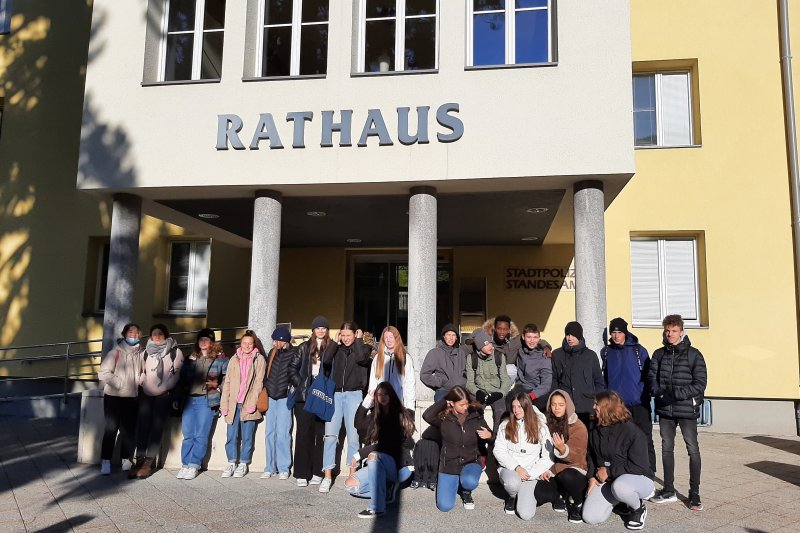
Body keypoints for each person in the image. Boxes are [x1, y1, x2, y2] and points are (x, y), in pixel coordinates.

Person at [647, 314, 707, 511]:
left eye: (674, 331)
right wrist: (659, 394)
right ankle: (669, 489)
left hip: (686, 410)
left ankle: (694, 493)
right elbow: (651, 379)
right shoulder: (658, 354)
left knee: (692, 449)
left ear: (681, 332)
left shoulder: (694, 355)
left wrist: (676, 395)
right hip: (665, 410)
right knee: (666, 448)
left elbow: (699, 383)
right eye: (667, 330)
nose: (670, 334)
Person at [583, 391, 655, 531]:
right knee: (590, 517)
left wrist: (609, 472)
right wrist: (591, 476)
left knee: (620, 487)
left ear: (607, 408)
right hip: (610, 480)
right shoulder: (594, 427)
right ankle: (622, 502)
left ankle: (637, 508)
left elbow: (640, 467)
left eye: (597, 404)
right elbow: (591, 454)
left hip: (639, 479)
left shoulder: (633, 432)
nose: (593, 406)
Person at [345, 382, 416, 518]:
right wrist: (367, 400)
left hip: (400, 467)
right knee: (350, 486)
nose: (382, 397)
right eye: (379, 395)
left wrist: (358, 454)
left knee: (373, 455)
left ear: (391, 396)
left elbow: (386, 444)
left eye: (385, 394)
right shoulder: (375, 416)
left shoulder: (399, 415)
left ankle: (377, 507)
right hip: (378, 465)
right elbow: (358, 423)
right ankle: (386, 492)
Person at [319, 321, 371, 493]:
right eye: (343, 335)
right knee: (330, 435)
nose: (346, 338)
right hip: (335, 395)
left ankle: (352, 474)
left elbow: (362, 359)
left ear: (355, 334)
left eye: (349, 335)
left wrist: (358, 341)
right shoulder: (336, 349)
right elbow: (325, 361)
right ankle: (327, 476)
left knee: (353, 437)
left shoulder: (362, 348)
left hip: (354, 395)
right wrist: (334, 342)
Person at [423, 385, 493, 512]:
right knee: (444, 506)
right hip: (449, 465)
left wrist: (490, 436)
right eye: (461, 404)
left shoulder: (475, 415)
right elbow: (427, 415)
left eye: (467, 403)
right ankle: (454, 483)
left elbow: (493, 436)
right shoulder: (443, 418)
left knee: (470, 481)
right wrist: (445, 399)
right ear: (452, 403)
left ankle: (466, 491)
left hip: (471, 461)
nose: (465, 407)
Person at [602, 317, 656, 473]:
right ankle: (624, 471)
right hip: (618, 406)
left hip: (639, 404)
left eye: (619, 332)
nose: (616, 335)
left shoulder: (639, 350)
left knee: (645, 439)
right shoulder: (607, 352)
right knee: (620, 441)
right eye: (613, 332)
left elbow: (649, 376)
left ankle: (649, 472)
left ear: (625, 332)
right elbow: (605, 379)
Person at [131, 323, 184, 479]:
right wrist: (142, 381)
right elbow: (140, 371)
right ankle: (139, 460)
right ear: (150, 336)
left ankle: (149, 463)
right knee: (143, 426)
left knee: (156, 428)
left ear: (166, 335)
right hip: (146, 394)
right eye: (154, 334)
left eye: (160, 334)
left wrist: (167, 386)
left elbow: (177, 374)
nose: (157, 337)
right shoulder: (145, 352)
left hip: (164, 395)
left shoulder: (175, 352)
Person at [176, 328, 229, 480]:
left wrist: (219, 388)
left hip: (207, 400)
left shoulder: (220, 359)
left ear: (212, 342)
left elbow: (226, 377)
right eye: (201, 340)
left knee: (200, 435)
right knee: (188, 435)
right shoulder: (191, 359)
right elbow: (182, 379)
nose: (203, 342)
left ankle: (194, 464)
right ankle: (185, 464)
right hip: (189, 399)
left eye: (207, 340)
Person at [493, 392, 554, 520]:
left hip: (530, 473)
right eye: (514, 407)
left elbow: (548, 456)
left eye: (520, 406)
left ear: (527, 406)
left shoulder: (540, 426)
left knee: (526, 515)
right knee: (512, 483)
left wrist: (531, 473)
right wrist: (516, 467)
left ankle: (522, 496)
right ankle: (512, 496)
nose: (516, 410)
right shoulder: (505, 425)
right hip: (510, 469)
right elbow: (498, 450)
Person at [535, 389, 589, 523]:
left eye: (561, 405)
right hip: (555, 468)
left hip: (575, 469)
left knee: (567, 476)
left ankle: (578, 502)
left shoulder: (578, 426)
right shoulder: (548, 423)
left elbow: (577, 458)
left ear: (567, 406)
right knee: (539, 494)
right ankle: (561, 494)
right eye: (553, 404)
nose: (557, 408)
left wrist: (563, 449)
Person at [288, 315, 330, 487]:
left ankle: (317, 471)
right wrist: (302, 385)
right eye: (318, 327)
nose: (321, 330)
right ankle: (301, 472)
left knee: (320, 435)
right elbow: (292, 368)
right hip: (304, 397)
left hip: (322, 397)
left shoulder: (331, 348)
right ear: (313, 330)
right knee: (304, 434)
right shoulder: (304, 347)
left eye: (324, 328)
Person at [220, 330, 267, 479]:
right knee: (231, 436)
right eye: (244, 343)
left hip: (248, 404)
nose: (247, 346)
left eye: (250, 343)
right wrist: (225, 404)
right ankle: (232, 462)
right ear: (240, 344)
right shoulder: (234, 359)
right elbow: (227, 382)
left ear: (254, 345)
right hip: (234, 404)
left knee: (247, 437)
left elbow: (259, 383)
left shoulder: (259, 360)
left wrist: (252, 402)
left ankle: (243, 463)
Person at [97, 322, 142, 475]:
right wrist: (119, 384)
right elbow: (103, 373)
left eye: (136, 333)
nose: (133, 335)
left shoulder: (140, 353)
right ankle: (105, 461)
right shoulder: (115, 352)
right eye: (130, 333)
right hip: (114, 397)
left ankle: (126, 459)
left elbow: (143, 372)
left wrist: (140, 380)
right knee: (111, 429)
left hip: (132, 397)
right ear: (124, 335)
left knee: (128, 430)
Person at [551, 321, 604, 427]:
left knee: (588, 439)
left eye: (573, 335)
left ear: (579, 336)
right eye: (567, 335)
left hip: (587, 407)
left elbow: (599, 381)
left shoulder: (590, 356)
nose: (569, 338)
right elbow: (554, 379)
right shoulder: (557, 355)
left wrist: (597, 402)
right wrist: (557, 400)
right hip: (565, 407)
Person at [261, 326, 298, 480]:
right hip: (271, 396)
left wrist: (291, 388)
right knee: (270, 433)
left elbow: (297, 373)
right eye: (274, 340)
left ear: (284, 341)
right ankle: (270, 467)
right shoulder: (272, 353)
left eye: (277, 340)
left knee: (283, 433)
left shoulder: (295, 353)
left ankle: (284, 467)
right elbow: (266, 374)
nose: (274, 343)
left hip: (284, 398)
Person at [465, 328, 510, 433]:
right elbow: (469, 383)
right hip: (479, 392)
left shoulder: (499, 356)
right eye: (486, 344)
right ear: (480, 347)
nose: (490, 346)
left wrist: (500, 393)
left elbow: (505, 379)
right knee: (474, 412)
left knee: (500, 412)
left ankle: (495, 440)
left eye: (490, 343)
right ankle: (479, 440)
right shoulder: (471, 358)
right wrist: (477, 392)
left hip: (496, 392)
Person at [363, 326, 415, 410]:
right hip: (380, 404)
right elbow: (373, 383)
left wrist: (410, 408)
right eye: (386, 337)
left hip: (397, 404)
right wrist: (370, 403)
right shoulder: (377, 358)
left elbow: (409, 384)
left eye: (391, 337)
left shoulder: (405, 358)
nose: (388, 340)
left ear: (396, 338)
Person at [511, 323, 553, 413]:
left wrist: (532, 395)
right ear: (523, 337)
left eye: (535, 337)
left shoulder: (544, 357)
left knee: (531, 406)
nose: (532, 340)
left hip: (537, 391)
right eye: (529, 337)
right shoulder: (520, 351)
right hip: (521, 387)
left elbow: (546, 384)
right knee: (509, 400)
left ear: (539, 338)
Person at [420, 323, 466, 402]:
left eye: (453, 335)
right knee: (442, 409)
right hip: (443, 390)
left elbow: (466, 371)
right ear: (444, 336)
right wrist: (441, 382)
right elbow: (424, 375)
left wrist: (463, 381)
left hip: (460, 390)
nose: (451, 338)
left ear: (456, 338)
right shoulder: (435, 353)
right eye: (448, 335)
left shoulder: (461, 353)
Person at [481, 315, 521, 382]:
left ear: (509, 330)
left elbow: (532, 340)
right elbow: (469, 347)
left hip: (507, 374)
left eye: (505, 329)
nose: (502, 332)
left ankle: (507, 389)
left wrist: (545, 346)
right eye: (499, 328)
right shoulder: (486, 340)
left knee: (511, 368)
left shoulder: (515, 340)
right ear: (495, 329)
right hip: (490, 374)